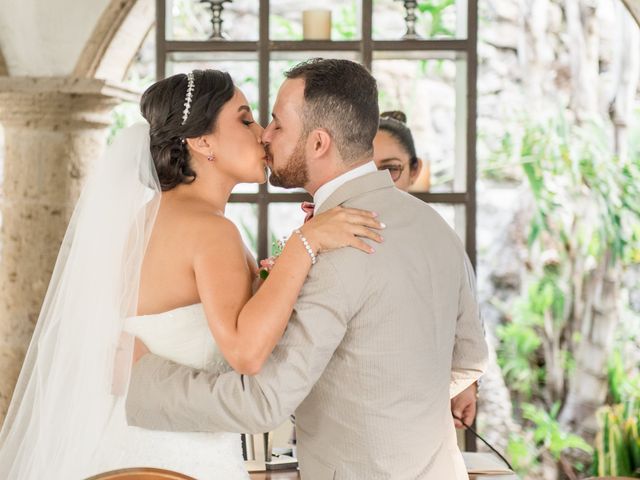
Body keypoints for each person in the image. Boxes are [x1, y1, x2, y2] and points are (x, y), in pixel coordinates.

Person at [0, 69, 384, 480]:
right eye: (245, 118)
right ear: (202, 142)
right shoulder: (209, 230)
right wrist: (303, 246)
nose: (262, 134)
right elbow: (246, 353)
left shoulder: (148, 220)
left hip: (119, 452)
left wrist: (268, 285)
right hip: (176, 460)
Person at [126, 58, 489, 480]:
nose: (265, 134)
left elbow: (263, 402)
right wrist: (401, 403)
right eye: (252, 121)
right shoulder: (433, 226)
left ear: (318, 144)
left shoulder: (336, 244)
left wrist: (137, 380)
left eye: (276, 124)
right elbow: (471, 356)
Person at [373, 110, 480, 430]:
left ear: (415, 170)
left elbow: (468, 319)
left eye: (390, 169)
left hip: (420, 411)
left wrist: (465, 385)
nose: (379, 181)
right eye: (366, 169)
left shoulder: (439, 239)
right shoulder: (328, 233)